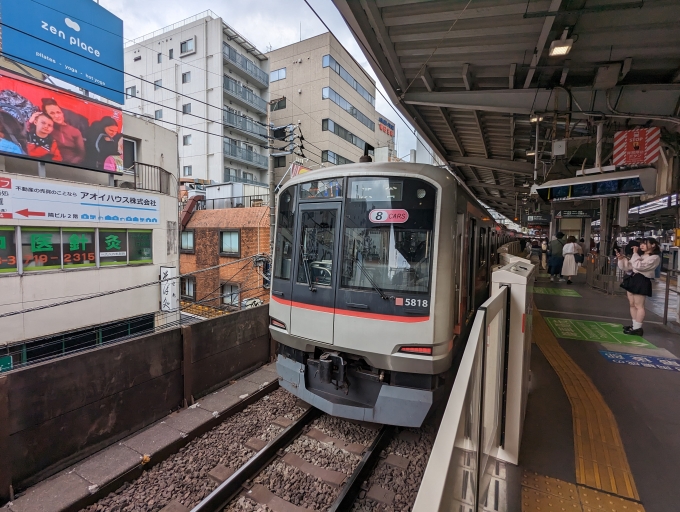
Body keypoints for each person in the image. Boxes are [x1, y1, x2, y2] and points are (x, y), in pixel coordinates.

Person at [616, 237, 662, 336]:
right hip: (632, 279)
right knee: (632, 304)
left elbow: (639, 266)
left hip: (642, 280)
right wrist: (622, 259)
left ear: (653, 245)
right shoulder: (640, 255)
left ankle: (638, 328)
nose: (641, 245)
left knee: (639, 306)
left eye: (645, 243)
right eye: (641, 244)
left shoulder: (654, 257)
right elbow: (628, 267)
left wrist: (635, 254)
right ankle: (634, 325)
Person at [41, 98, 85, 165]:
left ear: (62, 113)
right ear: (46, 115)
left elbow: (81, 154)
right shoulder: (46, 129)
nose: (57, 116)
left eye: (58, 112)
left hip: (73, 168)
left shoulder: (74, 131)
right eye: (52, 113)